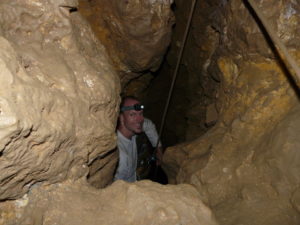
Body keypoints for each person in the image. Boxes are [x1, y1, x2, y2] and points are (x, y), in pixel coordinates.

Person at [114, 96, 163, 182]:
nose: (140, 119)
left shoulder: (131, 128)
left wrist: (158, 149)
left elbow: (148, 125)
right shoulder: (120, 157)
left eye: (140, 114)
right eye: (132, 114)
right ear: (121, 118)